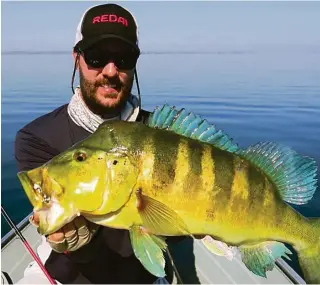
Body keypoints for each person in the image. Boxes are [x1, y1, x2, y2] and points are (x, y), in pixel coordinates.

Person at [14, 3, 199, 284]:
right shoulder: (37, 138)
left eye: (124, 58)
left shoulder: (166, 136)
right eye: (97, 57)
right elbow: (58, 227)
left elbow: (175, 236)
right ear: (77, 58)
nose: (111, 71)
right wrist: (75, 239)